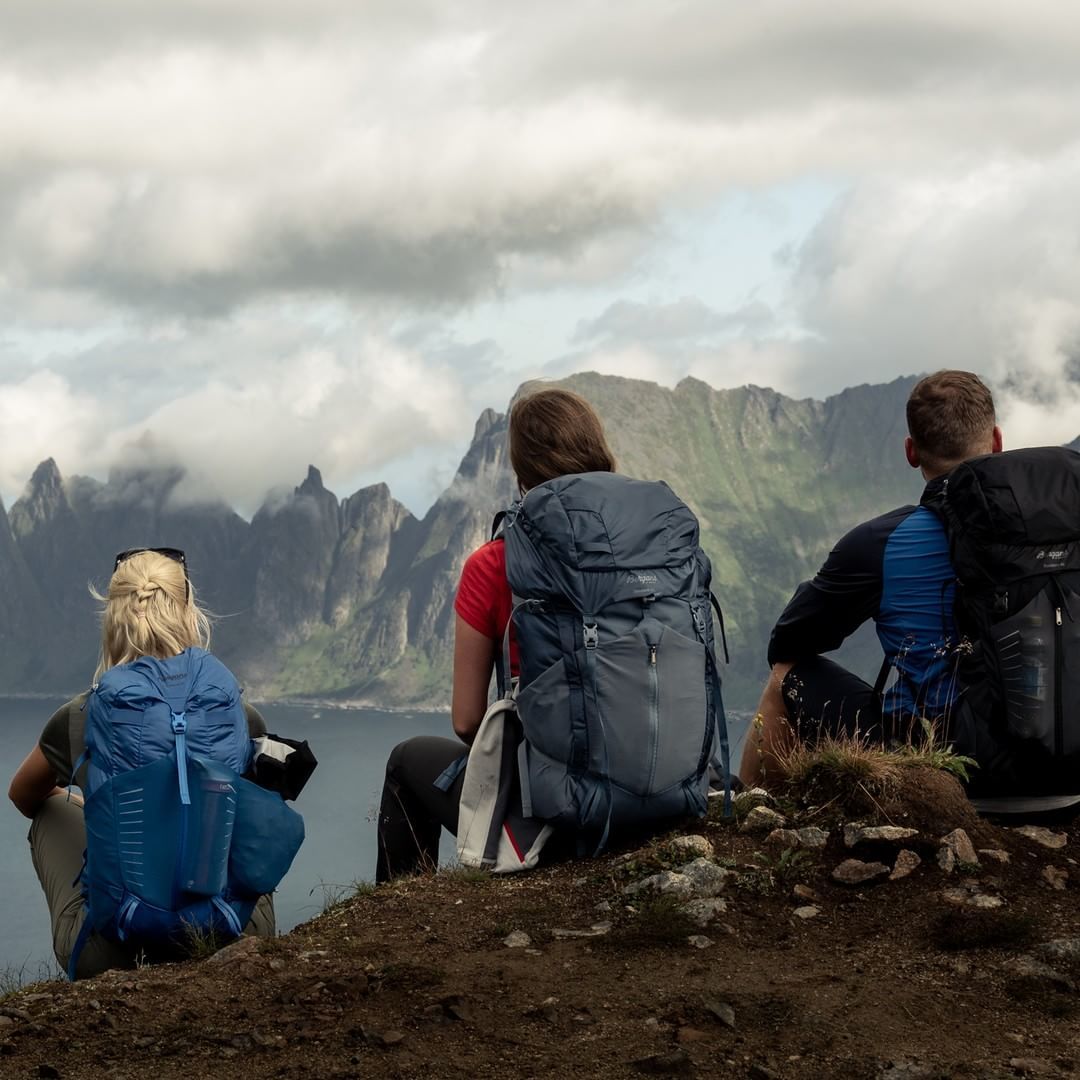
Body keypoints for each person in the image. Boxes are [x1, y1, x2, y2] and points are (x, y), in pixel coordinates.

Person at [375, 388, 617, 881]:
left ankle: (405, 911)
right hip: (652, 785)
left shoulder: (494, 563)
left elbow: (467, 722)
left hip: (547, 809)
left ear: (520, 470)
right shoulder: (652, 556)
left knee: (407, 761)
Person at [8, 548, 276, 979]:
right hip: (233, 935)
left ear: (114, 616)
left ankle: (104, 943)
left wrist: (92, 802)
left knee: (50, 810)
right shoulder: (237, 711)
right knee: (246, 825)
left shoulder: (81, 715)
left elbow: (23, 795)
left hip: (112, 952)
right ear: (189, 611)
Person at [739, 370, 1003, 785]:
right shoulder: (1058, 525)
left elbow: (788, 642)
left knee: (785, 675)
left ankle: (754, 815)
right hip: (1057, 764)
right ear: (998, 442)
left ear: (911, 452)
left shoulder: (882, 542)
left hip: (939, 764)